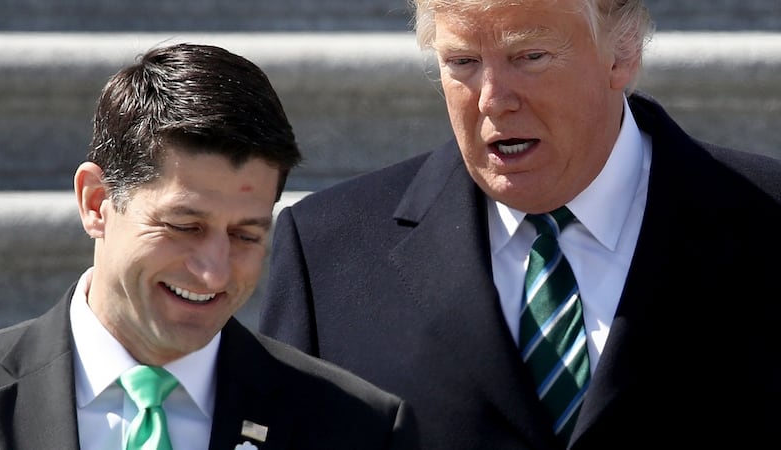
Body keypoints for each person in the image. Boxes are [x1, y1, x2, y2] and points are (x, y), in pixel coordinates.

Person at [258, 0, 781, 449]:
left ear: (622, 53)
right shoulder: (327, 253)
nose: (492, 99)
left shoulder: (763, 217)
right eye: (462, 61)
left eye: (529, 57)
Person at [0, 43, 418, 450]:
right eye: (184, 226)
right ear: (96, 202)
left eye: (245, 235)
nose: (214, 272)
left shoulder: (357, 429)